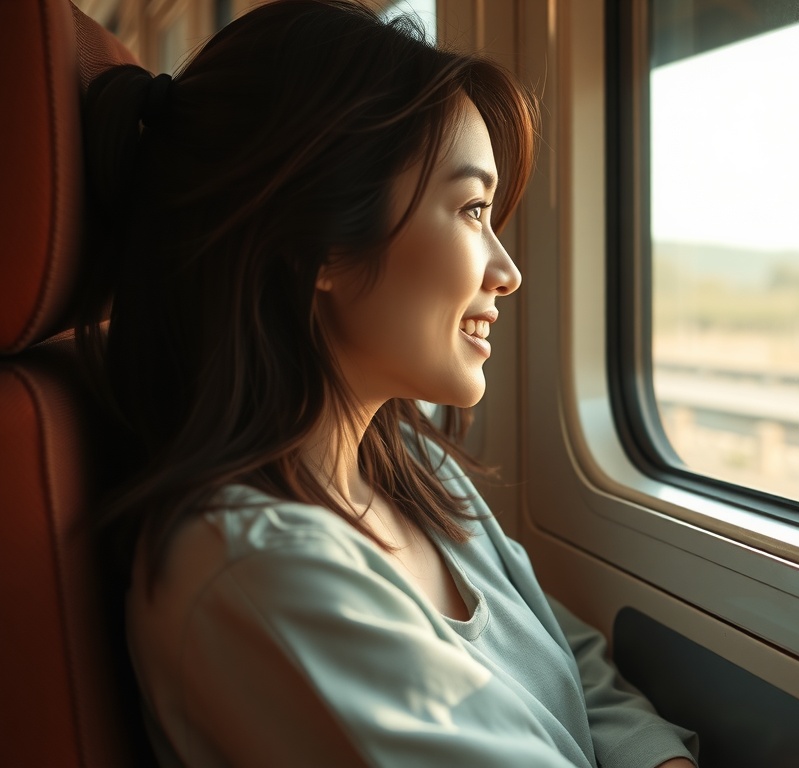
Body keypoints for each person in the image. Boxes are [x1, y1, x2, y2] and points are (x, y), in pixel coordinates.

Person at [79, 1, 698, 766]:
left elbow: (573, 664)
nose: (507, 273)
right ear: (322, 244)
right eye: (473, 209)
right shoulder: (258, 576)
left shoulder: (411, 467)